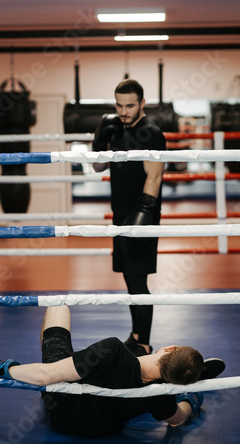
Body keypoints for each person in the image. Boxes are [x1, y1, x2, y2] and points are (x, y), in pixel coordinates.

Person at [0, 305, 225, 439]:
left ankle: (8, 364)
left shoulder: (112, 350)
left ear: (169, 348)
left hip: (61, 406)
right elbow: (178, 420)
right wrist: (191, 397)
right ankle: (194, 375)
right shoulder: (160, 394)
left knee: (58, 306)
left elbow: (45, 377)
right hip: (99, 430)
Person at [92, 79, 166, 356]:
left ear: (142, 104)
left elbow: (155, 175)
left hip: (141, 216)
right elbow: (97, 165)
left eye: (130, 105)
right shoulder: (115, 128)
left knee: (138, 279)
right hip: (120, 214)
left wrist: (144, 214)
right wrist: (99, 140)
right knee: (129, 278)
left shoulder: (151, 131)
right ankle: (135, 335)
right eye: (119, 105)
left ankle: (144, 342)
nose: (124, 111)